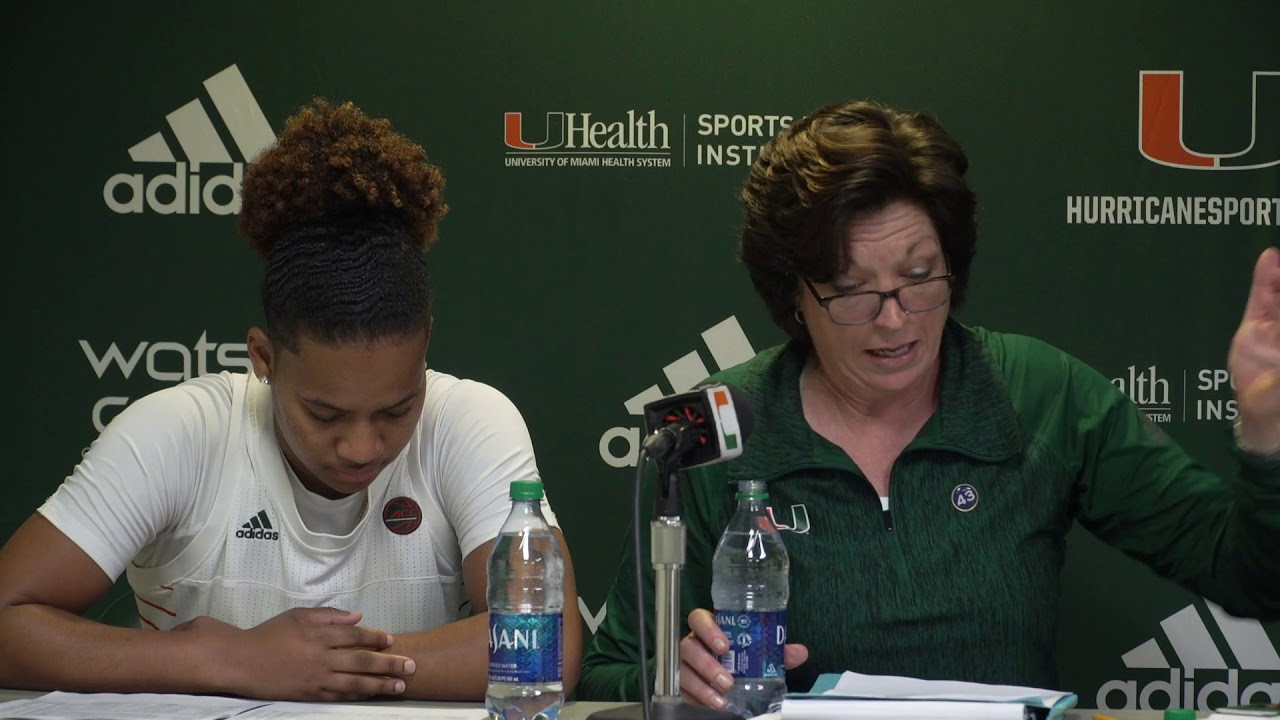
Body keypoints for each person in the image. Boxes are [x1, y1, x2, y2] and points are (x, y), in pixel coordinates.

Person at [577, 100, 1280, 709]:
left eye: (919, 277)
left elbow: (1251, 578)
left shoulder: (1041, 394)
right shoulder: (717, 424)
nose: (896, 320)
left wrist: (1267, 438)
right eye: (853, 291)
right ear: (794, 295)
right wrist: (677, 677)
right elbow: (608, 671)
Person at [0, 99, 581, 701]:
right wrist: (223, 659)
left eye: (396, 410)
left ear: (426, 344)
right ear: (264, 360)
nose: (362, 447)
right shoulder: (178, 432)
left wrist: (312, 669)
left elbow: (548, 644)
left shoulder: (470, 421)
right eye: (325, 414)